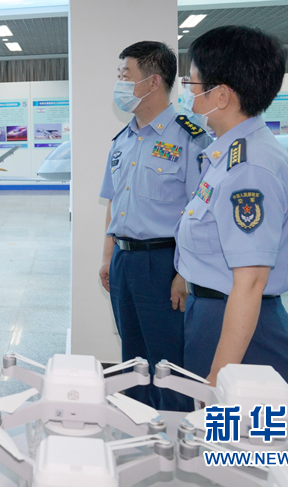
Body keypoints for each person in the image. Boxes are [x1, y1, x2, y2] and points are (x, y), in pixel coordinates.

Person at [176, 25, 288, 386]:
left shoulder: (249, 167)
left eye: (192, 82)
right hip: (217, 315)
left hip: (242, 331)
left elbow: (250, 282)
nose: (187, 92)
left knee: (234, 421)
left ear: (221, 95)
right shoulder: (228, 153)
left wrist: (220, 376)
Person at [98, 41, 211, 412]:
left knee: (168, 360)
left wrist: (185, 273)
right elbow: (114, 202)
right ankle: (137, 423)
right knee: (132, 358)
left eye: (125, 74)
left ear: (152, 82)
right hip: (124, 261)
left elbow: (200, 213)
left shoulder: (190, 138)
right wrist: (107, 257)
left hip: (164, 264)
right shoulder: (123, 139)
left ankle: (175, 431)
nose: (119, 82)